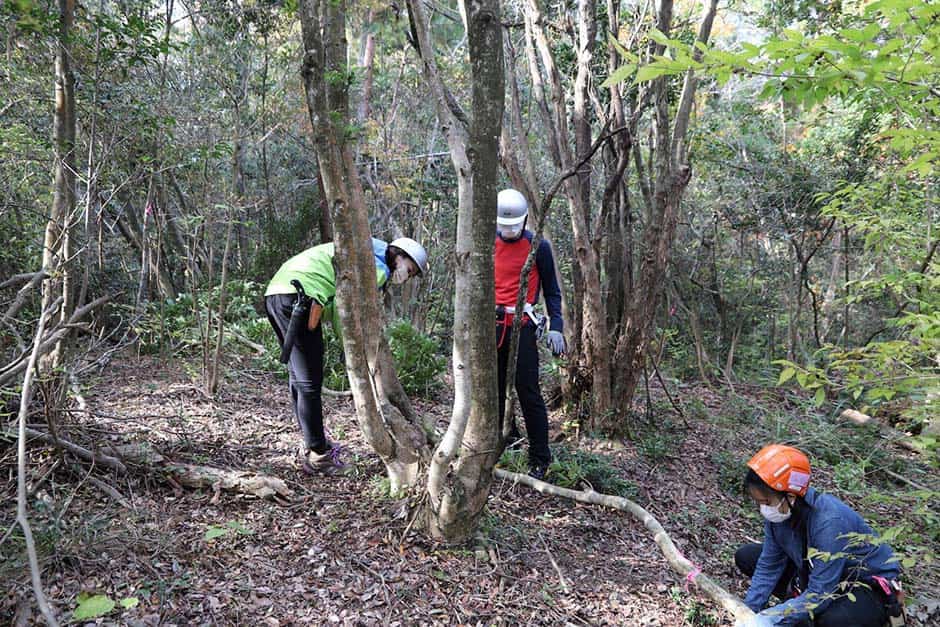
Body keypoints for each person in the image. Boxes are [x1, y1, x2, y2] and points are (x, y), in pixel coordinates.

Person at [265, 237, 428, 475]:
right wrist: (354, 350)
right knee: (309, 382)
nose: (406, 276)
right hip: (301, 296)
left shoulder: (365, 247)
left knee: (299, 378)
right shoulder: (376, 267)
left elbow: (337, 306)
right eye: (410, 269)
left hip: (278, 292)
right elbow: (348, 312)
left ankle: (312, 442)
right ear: (400, 256)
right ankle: (319, 454)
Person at [734, 444, 905, 627]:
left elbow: (821, 592)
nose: (764, 508)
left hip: (863, 583)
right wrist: (749, 612)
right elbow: (769, 565)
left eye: (766, 502)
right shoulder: (779, 513)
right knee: (747, 556)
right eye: (759, 502)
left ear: (790, 496)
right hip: (818, 572)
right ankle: (798, 606)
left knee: (830, 620)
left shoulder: (828, 521)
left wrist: (773, 617)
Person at [494, 188, 566, 480]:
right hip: (492, 325)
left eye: (514, 226)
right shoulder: (486, 241)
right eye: (503, 226)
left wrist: (556, 327)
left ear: (524, 221)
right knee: (495, 391)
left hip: (522, 325)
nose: (508, 232)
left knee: (528, 392)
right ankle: (504, 438)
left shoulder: (539, 246)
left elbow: (552, 290)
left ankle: (540, 457)